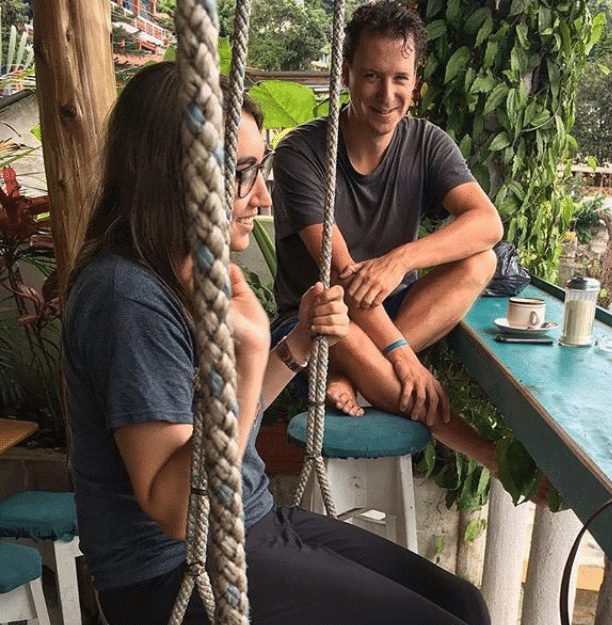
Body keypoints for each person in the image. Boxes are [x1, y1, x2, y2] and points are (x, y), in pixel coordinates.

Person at [63, 61, 490, 625]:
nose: (262, 196)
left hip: (250, 520)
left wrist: (295, 349)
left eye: (258, 168)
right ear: (175, 176)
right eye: (241, 172)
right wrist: (249, 353)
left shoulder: (186, 268)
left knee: (461, 604)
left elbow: (224, 426)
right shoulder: (128, 299)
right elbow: (174, 509)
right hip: (175, 572)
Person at [271, 1, 503, 472]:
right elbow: (341, 275)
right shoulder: (302, 152)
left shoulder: (427, 142)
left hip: (396, 311)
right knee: (341, 326)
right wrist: (401, 356)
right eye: (372, 76)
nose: (387, 93)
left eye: (400, 77)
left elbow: (487, 224)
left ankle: (356, 380)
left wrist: (399, 260)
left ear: (415, 82)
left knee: (482, 262)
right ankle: (481, 450)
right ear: (346, 74)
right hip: (316, 318)